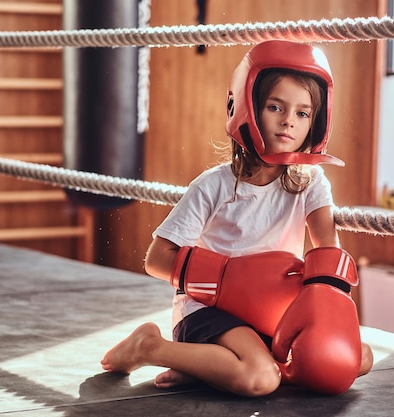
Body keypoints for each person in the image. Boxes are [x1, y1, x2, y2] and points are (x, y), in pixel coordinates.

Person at [101, 40, 374, 397]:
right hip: (209, 310)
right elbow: (157, 258)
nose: (289, 121)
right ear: (247, 107)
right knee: (260, 379)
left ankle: (204, 367)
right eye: (276, 106)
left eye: (303, 113)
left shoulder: (310, 183)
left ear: (316, 122)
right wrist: (234, 280)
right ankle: (151, 348)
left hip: (274, 313)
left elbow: (327, 254)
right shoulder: (215, 185)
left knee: (356, 359)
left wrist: (325, 319)